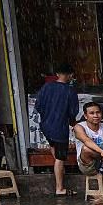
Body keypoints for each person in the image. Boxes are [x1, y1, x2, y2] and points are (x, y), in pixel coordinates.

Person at [34, 63, 79, 196]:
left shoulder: (47, 87)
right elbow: (72, 112)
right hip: (60, 127)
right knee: (60, 158)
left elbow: (38, 106)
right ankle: (59, 188)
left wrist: (48, 116)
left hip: (46, 126)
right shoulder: (70, 91)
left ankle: (60, 173)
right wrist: (73, 123)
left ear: (57, 74)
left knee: (54, 149)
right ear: (71, 75)